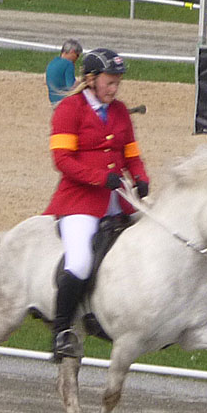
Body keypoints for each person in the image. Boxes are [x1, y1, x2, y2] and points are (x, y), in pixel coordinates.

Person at [43, 47, 149, 361]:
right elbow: (62, 160)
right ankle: (61, 330)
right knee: (79, 263)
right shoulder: (69, 109)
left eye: (117, 83)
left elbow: (131, 153)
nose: (114, 89)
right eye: (109, 82)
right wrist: (99, 178)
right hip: (79, 202)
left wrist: (141, 178)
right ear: (90, 79)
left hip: (119, 201)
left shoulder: (119, 111)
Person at [45, 38, 82, 106]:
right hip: (64, 102)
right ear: (72, 51)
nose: (77, 58)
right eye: (77, 55)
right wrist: (81, 84)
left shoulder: (52, 62)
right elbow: (71, 87)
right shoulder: (68, 64)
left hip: (53, 100)